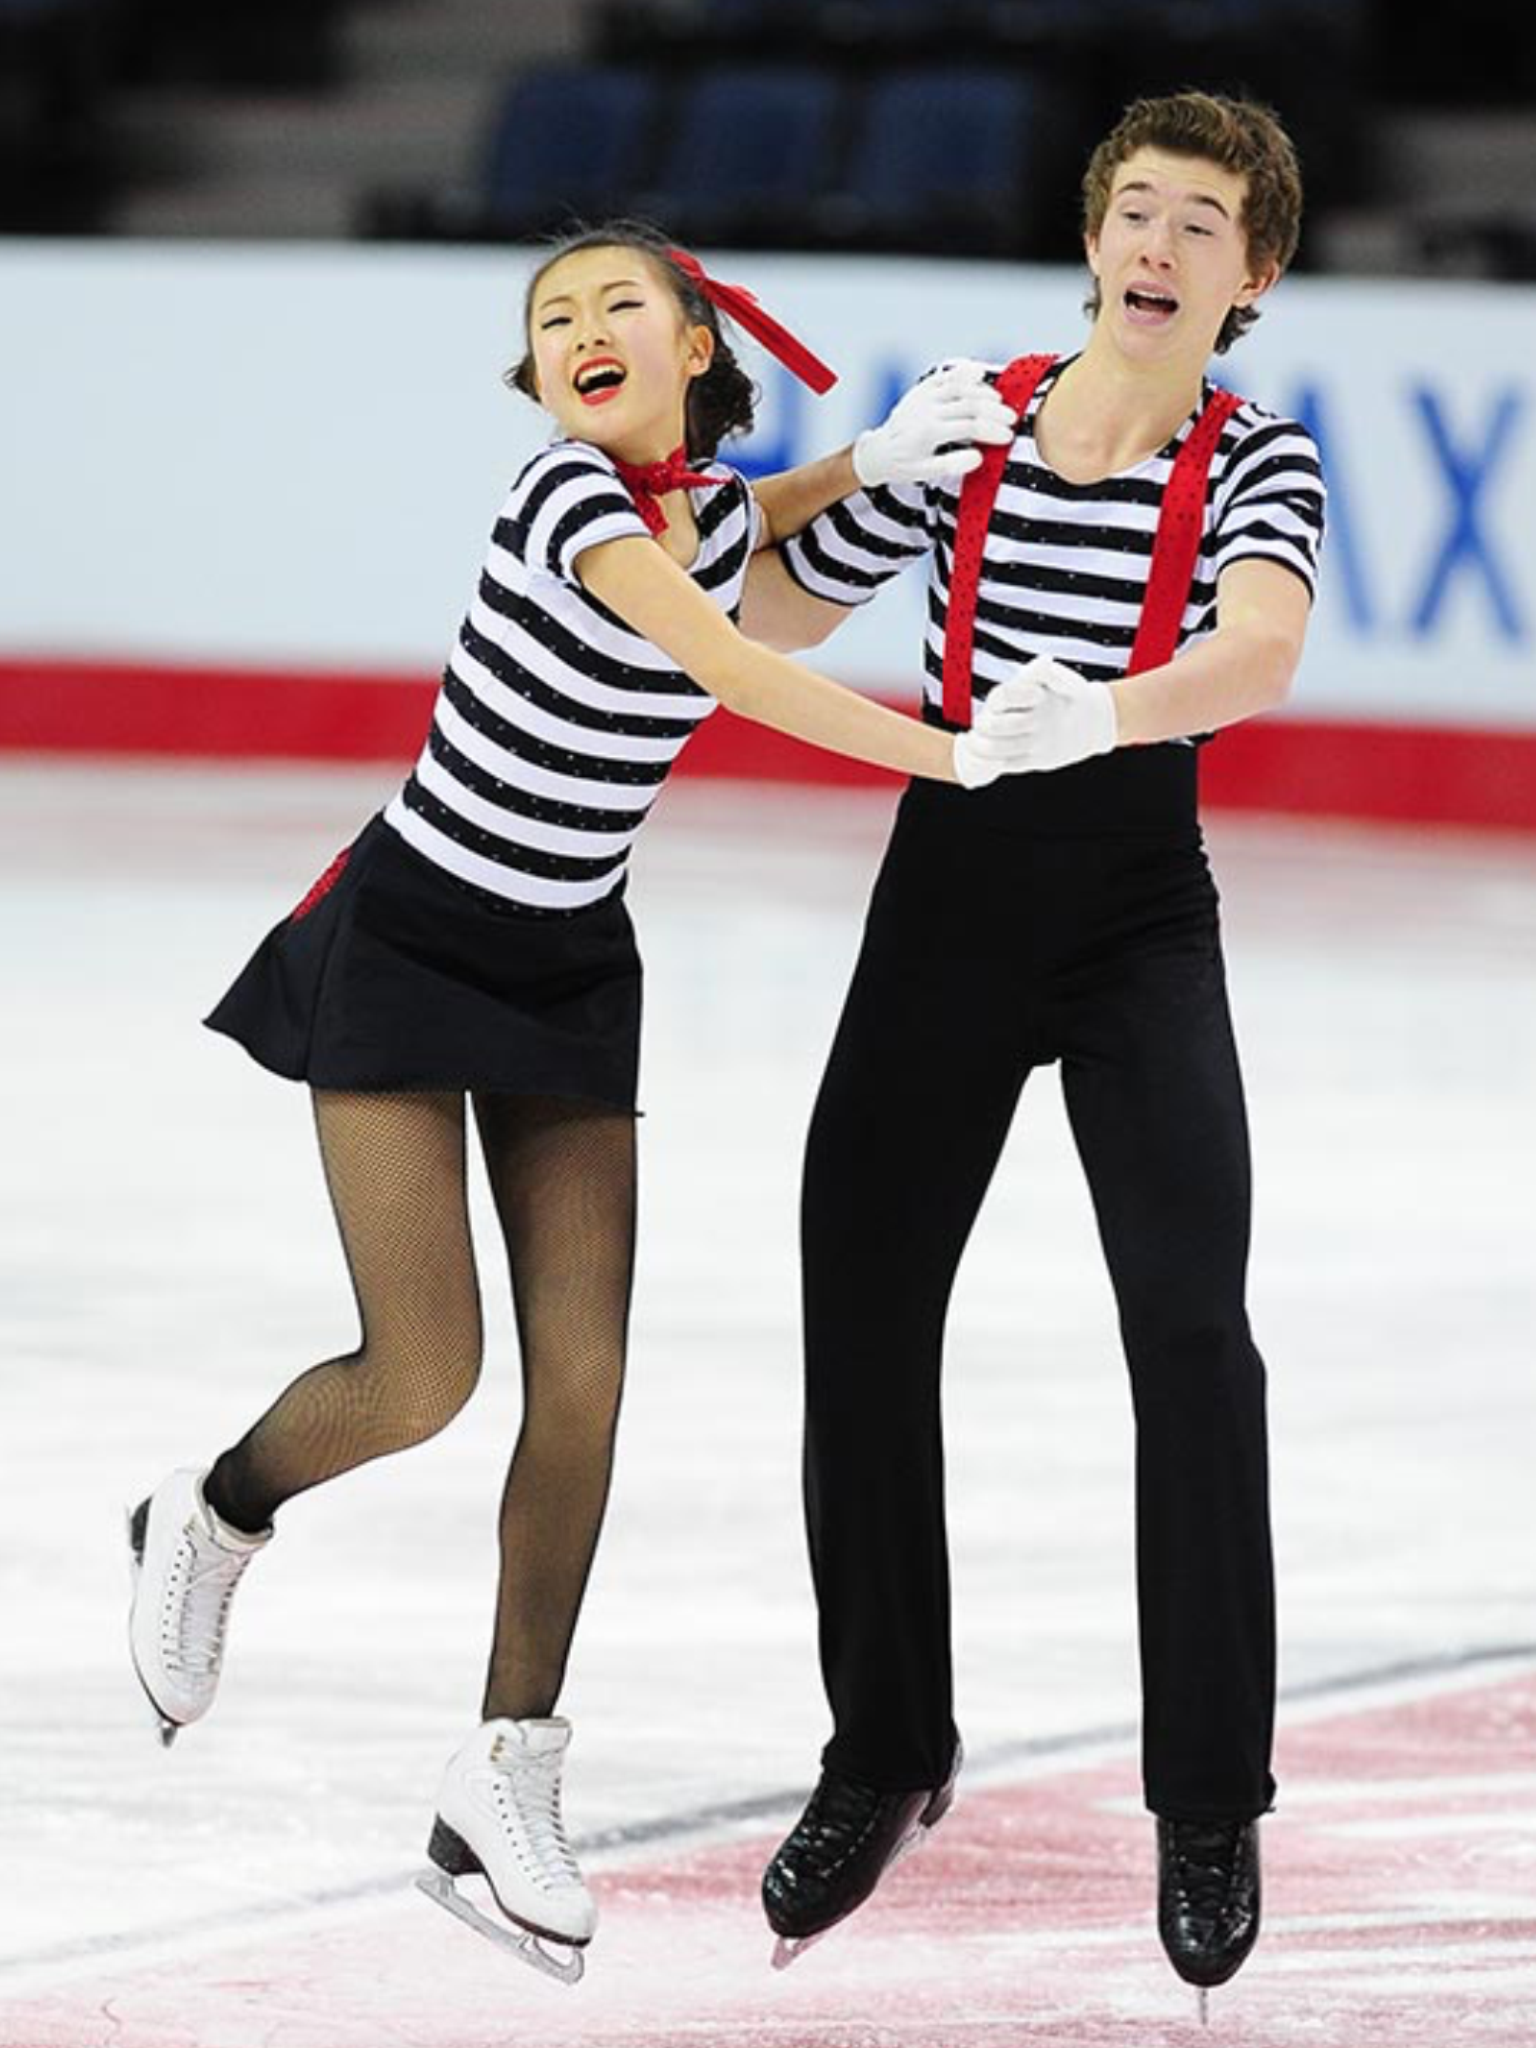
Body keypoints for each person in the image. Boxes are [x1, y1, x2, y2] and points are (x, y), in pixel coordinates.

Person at [125, 222, 1033, 1984]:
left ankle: (504, 1768)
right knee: (425, 1374)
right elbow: (735, 657)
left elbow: (745, 522)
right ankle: (215, 1511)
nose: (583, 328)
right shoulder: (565, 500)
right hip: (409, 937)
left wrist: (866, 465)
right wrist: (951, 754)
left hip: (566, 967)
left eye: (622, 304)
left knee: (589, 1382)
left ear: (696, 349)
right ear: (538, 380)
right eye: (554, 319)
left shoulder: (700, 511)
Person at [748, 92, 1326, 2009]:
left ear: (1252, 274)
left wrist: (1110, 711)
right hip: (948, 902)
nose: (1158, 245)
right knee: (860, 1304)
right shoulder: (968, 420)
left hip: (1135, 908)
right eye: (1134, 209)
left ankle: (1209, 1798)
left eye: (1201, 223)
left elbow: (1260, 650)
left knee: (1193, 1336)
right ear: (1092, 240)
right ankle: (885, 1748)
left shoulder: (1258, 455)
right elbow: (766, 616)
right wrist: (853, 469)